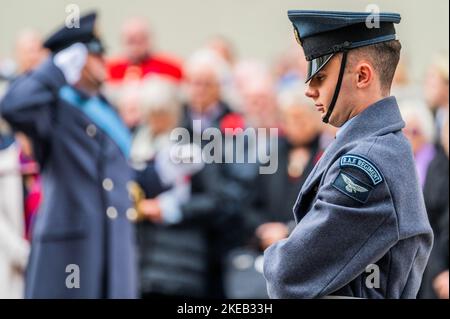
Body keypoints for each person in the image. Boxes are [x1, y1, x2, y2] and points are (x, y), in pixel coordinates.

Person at [263, 10, 433, 299]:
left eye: (321, 76)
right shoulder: (377, 146)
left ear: (363, 76)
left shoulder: (366, 163)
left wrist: (273, 253)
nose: (309, 90)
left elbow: (288, 273)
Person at [0, 12, 137, 298]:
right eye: (96, 54)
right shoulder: (54, 107)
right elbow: (13, 106)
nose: (104, 61)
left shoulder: (103, 106)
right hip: (70, 250)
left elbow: (121, 173)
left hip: (112, 247)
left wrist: (161, 172)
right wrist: (54, 70)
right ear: (77, 60)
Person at [107, 17, 183, 84]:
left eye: (140, 40)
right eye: (131, 41)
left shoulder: (171, 66)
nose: (135, 47)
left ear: (149, 39)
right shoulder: (110, 69)